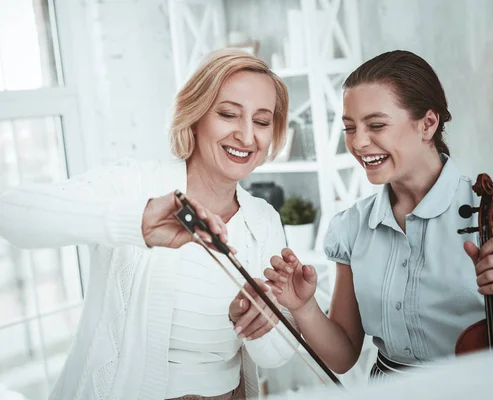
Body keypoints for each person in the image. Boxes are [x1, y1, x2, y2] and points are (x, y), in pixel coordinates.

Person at [0, 48, 299, 400]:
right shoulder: (134, 185)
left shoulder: (263, 220)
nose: (247, 137)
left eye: (262, 122)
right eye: (229, 114)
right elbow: (11, 214)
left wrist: (258, 325)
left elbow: (276, 357)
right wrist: (135, 221)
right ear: (196, 114)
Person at [263, 50, 493, 380]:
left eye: (376, 125)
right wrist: (303, 306)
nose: (358, 143)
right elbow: (342, 356)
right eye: (349, 127)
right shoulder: (351, 227)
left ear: (428, 124)